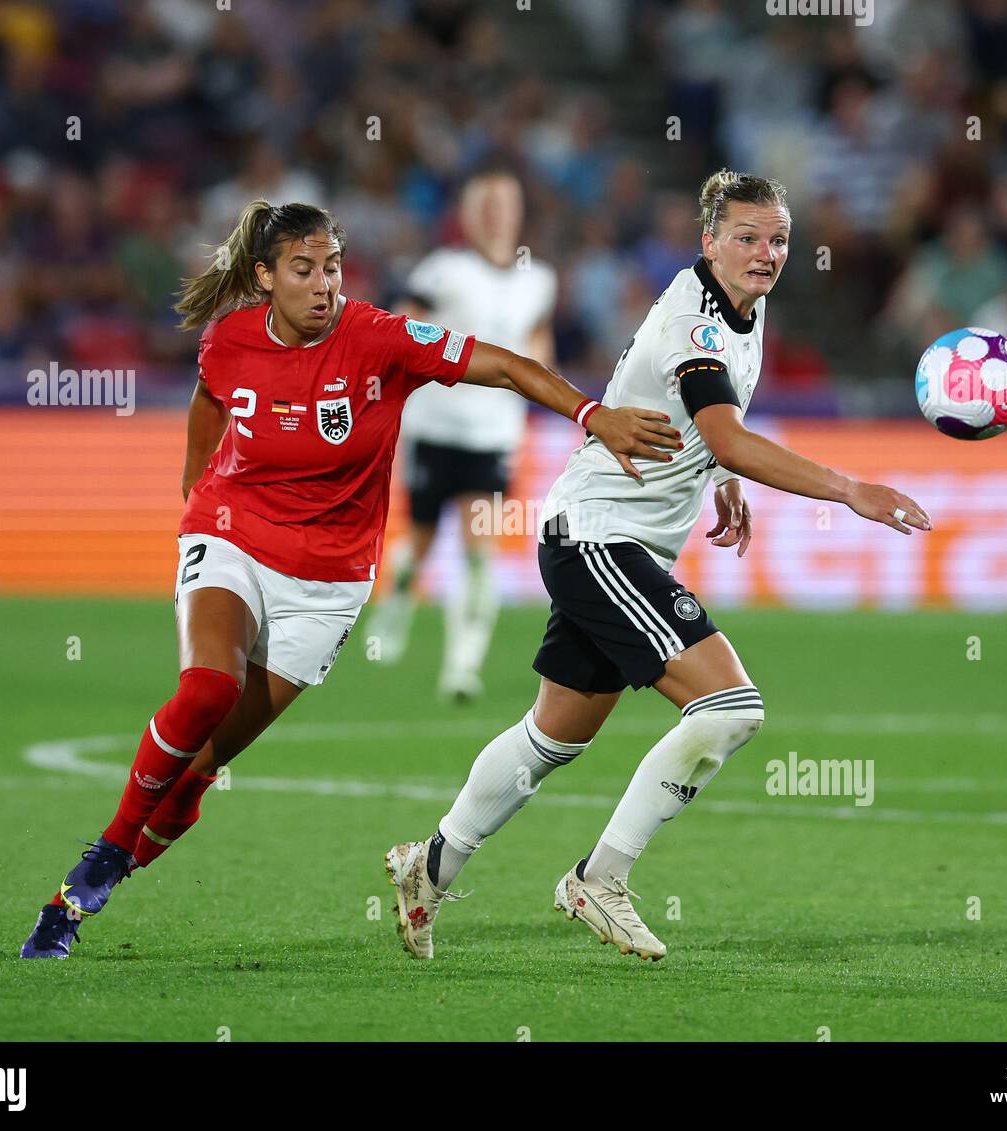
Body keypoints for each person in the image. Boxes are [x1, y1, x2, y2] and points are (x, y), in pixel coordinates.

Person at [19, 199, 679, 959]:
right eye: (304, 269)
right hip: (233, 535)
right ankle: (94, 865)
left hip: (327, 583)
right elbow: (209, 399)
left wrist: (589, 412)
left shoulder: (377, 338)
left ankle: (94, 881)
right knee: (207, 688)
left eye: (332, 266)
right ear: (265, 276)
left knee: (200, 769)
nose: (324, 284)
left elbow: (501, 363)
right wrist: (196, 498)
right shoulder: (230, 340)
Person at [384, 170, 932, 961]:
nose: (766, 253)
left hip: (607, 538)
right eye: (746, 237)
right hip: (601, 539)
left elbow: (715, 426)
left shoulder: (747, 302)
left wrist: (724, 477)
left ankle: (427, 865)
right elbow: (731, 428)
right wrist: (849, 488)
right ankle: (598, 879)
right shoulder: (696, 320)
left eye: (778, 239)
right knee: (731, 707)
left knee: (553, 736)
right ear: (708, 241)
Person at [366, 165, 557, 700]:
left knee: (479, 549)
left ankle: (461, 667)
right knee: (421, 542)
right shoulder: (442, 270)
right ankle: (398, 599)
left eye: (505, 204)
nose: (496, 215)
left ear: (519, 213)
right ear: (468, 216)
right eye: (485, 205)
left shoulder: (538, 280)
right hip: (433, 425)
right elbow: (399, 330)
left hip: (494, 434)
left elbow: (541, 351)